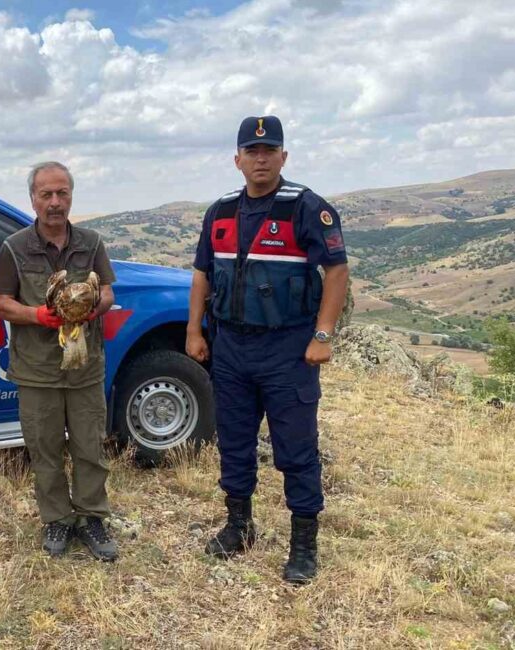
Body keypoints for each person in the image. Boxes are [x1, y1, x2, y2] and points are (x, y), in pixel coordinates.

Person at [185, 115, 349, 584]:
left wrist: (323, 335)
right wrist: (194, 331)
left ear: (283, 157)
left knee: (296, 449)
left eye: (269, 150)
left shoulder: (306, 208)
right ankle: (239, 526)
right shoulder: (219, 212)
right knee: (234, 442)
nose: (261, 158)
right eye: (252, 152)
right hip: (230, 347)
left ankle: (303, 544)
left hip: (286, 349)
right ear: (237, 160)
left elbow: (336, 272)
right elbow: (201, 275)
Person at [0, 161, 119, 561]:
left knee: (90, 448)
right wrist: (37, 316)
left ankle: (92, 517)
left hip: (84, 367)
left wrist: (90, 309)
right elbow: (3, 303)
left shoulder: (92, 243)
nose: (54, 202)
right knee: (44, 450)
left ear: (71, 197)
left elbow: (109, 293)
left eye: (62, 193)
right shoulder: (14, 247)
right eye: (46, 194)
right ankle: (57, 519)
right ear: (33, 198)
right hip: (37, 369)